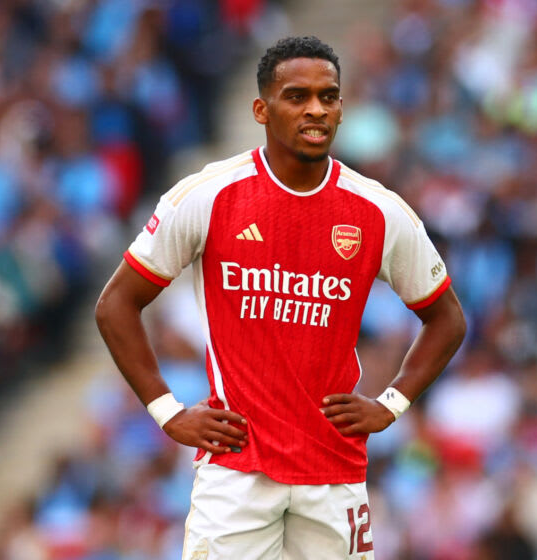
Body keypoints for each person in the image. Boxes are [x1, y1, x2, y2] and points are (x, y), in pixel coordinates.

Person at [95, 36, 466, 559]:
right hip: (235, 470)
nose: (316, 109)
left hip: (333, 470)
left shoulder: (378, 211)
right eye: (297, 96)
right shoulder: (209, 195)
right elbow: (115, 304)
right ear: (261, 109)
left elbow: (446, 318)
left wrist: (392, 403)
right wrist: (168, 412)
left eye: (328, 96)